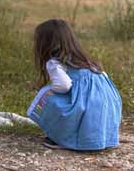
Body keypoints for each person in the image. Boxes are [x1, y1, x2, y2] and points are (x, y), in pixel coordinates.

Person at [27, 19, 122, 150]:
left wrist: (50, 89)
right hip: (107, 104)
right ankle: (102, 137)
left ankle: (62, 137)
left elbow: (64, 85)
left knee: (46, 95)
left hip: (86, 106)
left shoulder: (54, 63)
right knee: (86, 103)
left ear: (45, 44)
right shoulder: (86, 60)